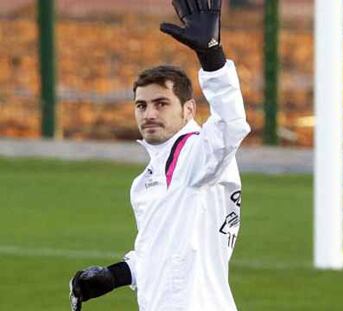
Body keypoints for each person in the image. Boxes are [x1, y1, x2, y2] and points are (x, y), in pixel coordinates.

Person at [69, 0, 250, 310]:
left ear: (189, 109)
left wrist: (211, 57)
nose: (149, 113)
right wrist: (113, 276)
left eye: (161, 103)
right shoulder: (146, 181)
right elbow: (160, 252)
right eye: (142, 105)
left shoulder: (196, 154)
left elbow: (231, 125)